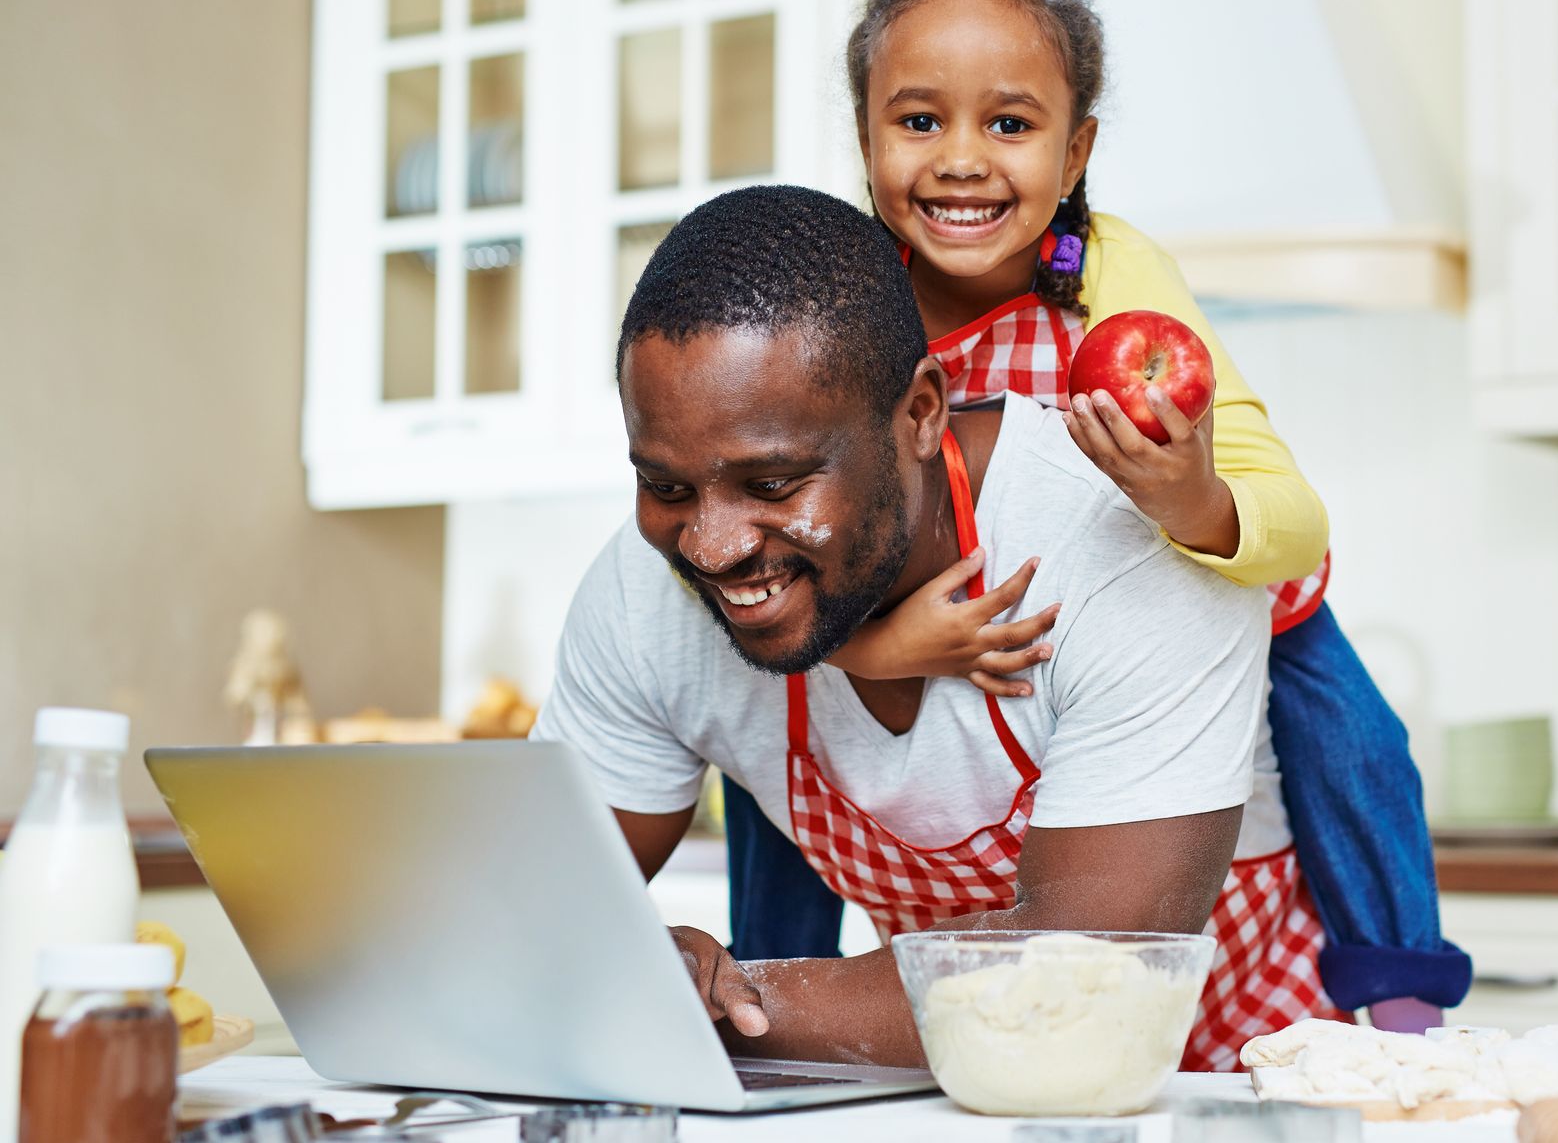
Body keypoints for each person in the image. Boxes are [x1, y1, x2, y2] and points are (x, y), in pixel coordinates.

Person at [716, 0, 1470, 1025]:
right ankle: (762, 1011)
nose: (963, 161)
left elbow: (1293, 524)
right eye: (919, 122)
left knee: (1359, 736)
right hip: (985, 629)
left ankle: (1400, 989)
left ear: (1078, 151)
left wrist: (1190, 498)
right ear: (865, 135)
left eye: (1011, 126)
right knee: (773, 756)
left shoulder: (1110, 273)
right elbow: (766, 542)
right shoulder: (844, 308)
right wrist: (870, 648)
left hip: (1200, 591)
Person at [536, 183, 1335, 1071]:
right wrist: (641, 970)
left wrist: (701, 1006)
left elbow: (1089, 987)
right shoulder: (646, 590)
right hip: (936, 1086)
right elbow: (518, 915)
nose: (711, 547)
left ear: (920, 413)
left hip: (1224, 1083)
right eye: (667, 488)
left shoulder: (1123, 545)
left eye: (772, 485)